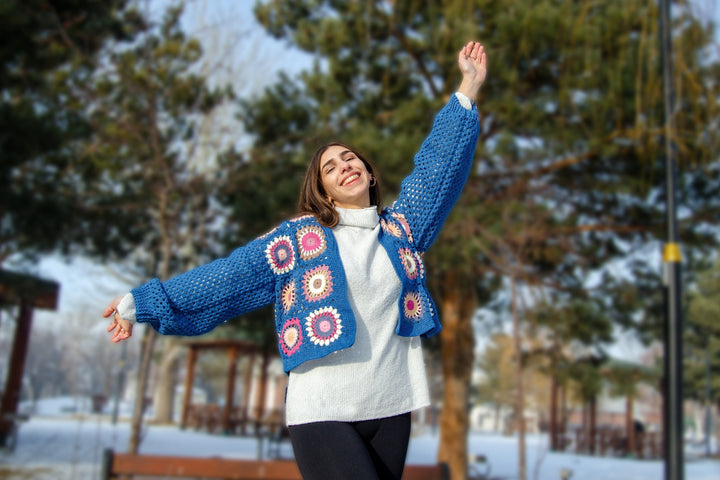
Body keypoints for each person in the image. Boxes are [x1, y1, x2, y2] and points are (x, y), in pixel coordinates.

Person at [103, 41, 486, 480]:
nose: (344, 166)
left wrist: (468, 88)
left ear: (369, 172)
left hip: (391, 406)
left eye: (350, 157)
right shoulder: (301, 240)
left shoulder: (402, 231)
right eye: (329, 167)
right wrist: (141, 303)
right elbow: (226, 279)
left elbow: (437, 168)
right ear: (323, 191)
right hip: (322, 409)